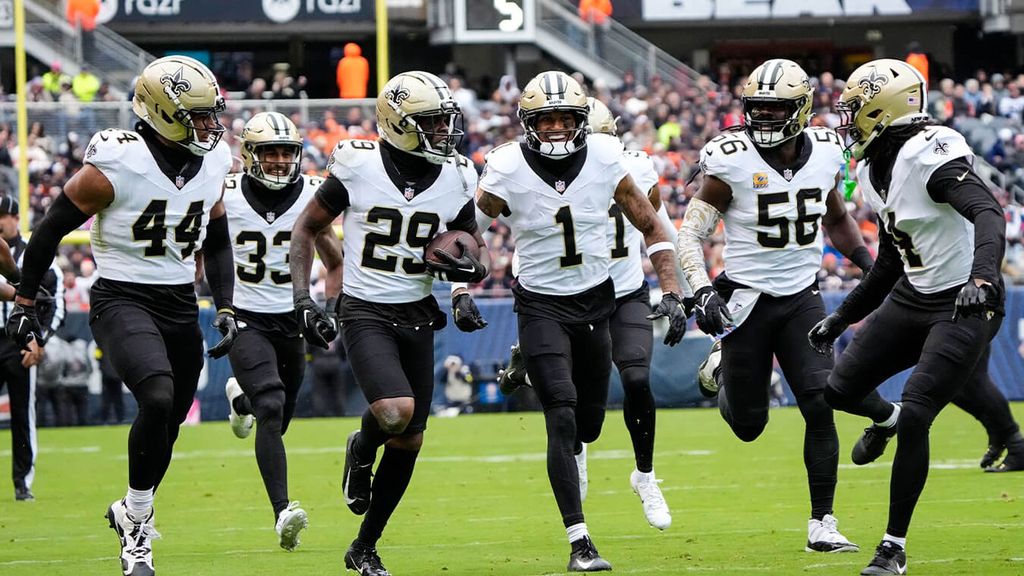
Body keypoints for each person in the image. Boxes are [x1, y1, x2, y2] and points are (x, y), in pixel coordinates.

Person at [5, 55, 235, 576]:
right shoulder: (118, 161)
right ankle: (137, 534)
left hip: (179, 301)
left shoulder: (215, 161)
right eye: (197, 115)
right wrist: (23, 300)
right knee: (155, 396)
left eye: (210, 114)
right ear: (162, 112)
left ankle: (131, 510)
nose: (208, 125)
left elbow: (218, 243)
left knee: (170, 421)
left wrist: (224, 304)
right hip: (121, 295)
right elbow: (49, 227)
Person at [476, 70, 688, 572]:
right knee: (562, 413)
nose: (554, 129)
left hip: (599, 298)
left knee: (589, 424)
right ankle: (580, 540)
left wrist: (674, 286)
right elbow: (470, 225)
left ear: (584, 124)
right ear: (527, 123)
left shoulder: (610, 158)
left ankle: (617, 462)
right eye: (544, 119)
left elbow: (650, 222)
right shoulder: (506, 165)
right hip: (541, 302)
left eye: (564, 119)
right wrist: (464, 282)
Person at [808, 59, 1010, 575]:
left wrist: (982, 278)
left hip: (965, 300)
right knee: (839, 391)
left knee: (921, 411)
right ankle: (887, 419)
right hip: (914, 294)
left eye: (855, 111)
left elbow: (988, 211)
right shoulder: (871, 168)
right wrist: (843, 317)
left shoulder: (929, 154)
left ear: (882, 109)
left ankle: (892, 547)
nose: (847, 122)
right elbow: (893, 260)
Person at [289, 70, 489, 576]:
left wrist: (464, 289)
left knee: (410, 438)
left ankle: (364, 546)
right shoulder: (357, 165)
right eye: (431, 123)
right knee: (396, 411)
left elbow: (468, 244)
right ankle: (360, 445)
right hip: (365, 308)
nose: (445, 133)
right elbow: (308, 227)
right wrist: (303, 298)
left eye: (446, 122)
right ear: (398, 124)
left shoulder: (458, 174)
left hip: (418, 309)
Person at [677, 59, 875, 555]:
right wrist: (703, 291)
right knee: (748, 426)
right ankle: (723, 367)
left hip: (802, 297)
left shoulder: (828, 151)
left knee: (820, 402)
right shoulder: (730, 158)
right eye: (756, 108)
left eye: (775, 108)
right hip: (745, 300)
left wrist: (869, 265)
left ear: (801, 110)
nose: (763, 117)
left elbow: (836, 217)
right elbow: (690, 233)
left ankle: (822, 523)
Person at [220, 111, 343, 551]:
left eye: (285, 152)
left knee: (281, 414)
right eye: (268, 152)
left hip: (293, 316)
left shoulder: (311, 196)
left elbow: (336, 261)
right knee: (271, 407)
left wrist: (329, 308)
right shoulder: (226, 192)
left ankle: (240, 399)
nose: (277, 160)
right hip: (245, 316)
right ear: (249, 155)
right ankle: (282, 512)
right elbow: (201, 249)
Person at [0, 195, 63, 501]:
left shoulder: (33, 253)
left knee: (23, 415)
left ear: (15, 217)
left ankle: (22, 482)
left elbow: (55, 301)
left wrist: (38, 341)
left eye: (3, 215)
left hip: (18, 341)